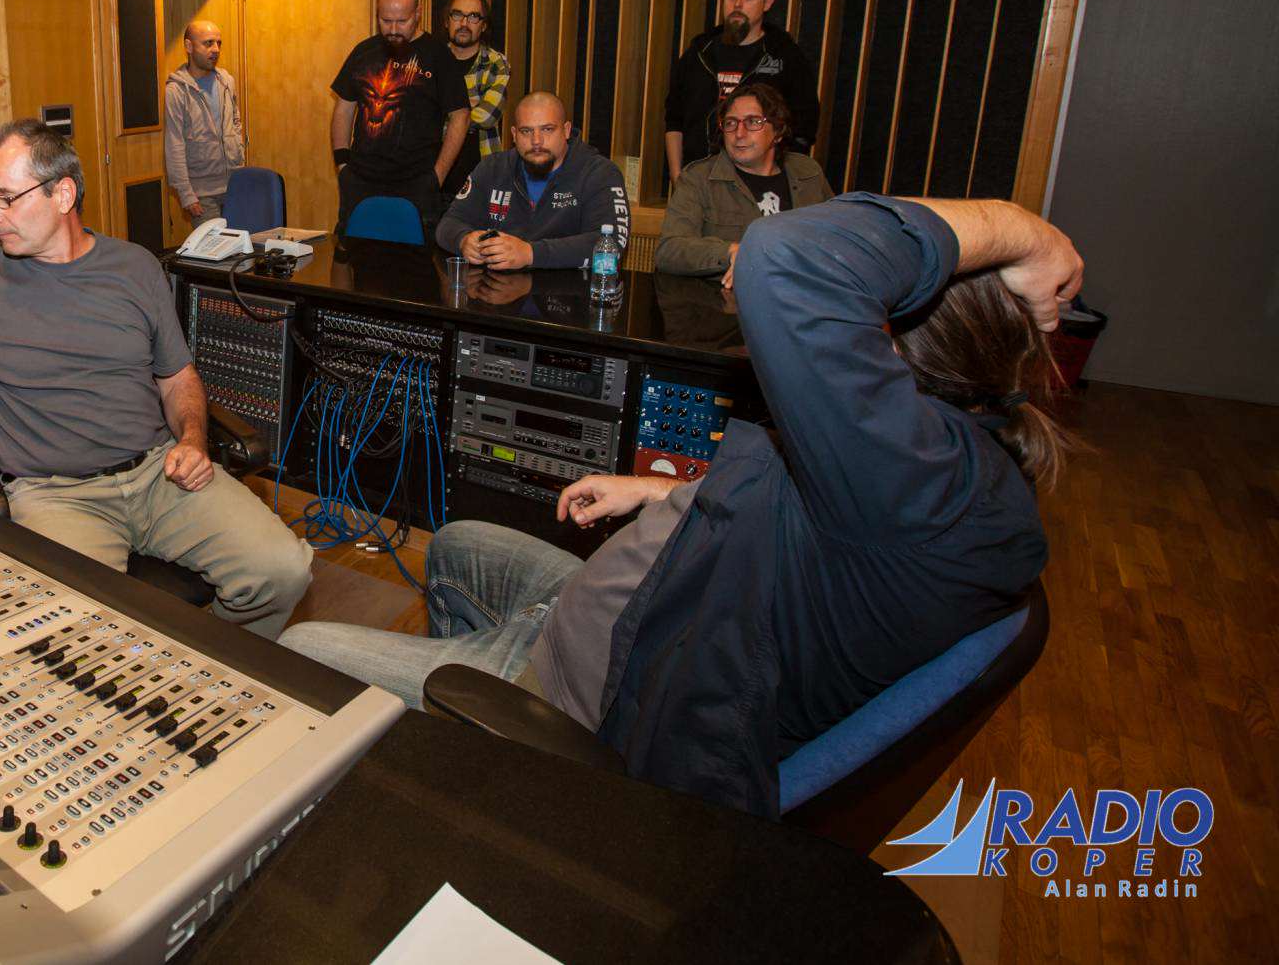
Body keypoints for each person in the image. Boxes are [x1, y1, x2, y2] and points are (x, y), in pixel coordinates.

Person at [283, 192, 1077, 817]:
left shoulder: (916, 487)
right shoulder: (938, 465)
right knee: (457, 542)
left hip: (587, 697)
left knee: (300, 655)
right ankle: (451, 783)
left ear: (893, 346)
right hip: (635, 610)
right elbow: (809, 519)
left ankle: (486, 749)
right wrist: (658, 490)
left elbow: (788, 256)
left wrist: (1026, 233)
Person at [0, 119, 312, 638]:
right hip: (57, 496)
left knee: (283, 570)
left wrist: (193, 440)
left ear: (63, 194)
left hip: (159, 474)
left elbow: (177, 377)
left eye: (6, 198)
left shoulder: (135, 267)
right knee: (82, 632)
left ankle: (220, 661)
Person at [656, 82, 834, 285]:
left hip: (803, 294)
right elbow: (669, 251)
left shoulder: (808, 173)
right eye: (731, 123)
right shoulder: (699, 178)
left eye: (753, 122)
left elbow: (840, 238)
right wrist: (731, 252)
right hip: (726, 299)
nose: (739, 133)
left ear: (778, 131)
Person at [330, 0, 469, 235]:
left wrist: (437, 176)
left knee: (413, 258)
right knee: (354, 254)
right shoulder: (364, 51)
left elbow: (460, 116)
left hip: (416, 184)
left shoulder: (438, 56)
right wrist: (342, 165)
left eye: (402, 21)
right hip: (360, 182)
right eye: (385, 21)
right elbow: (344, 106)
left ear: (418, 14)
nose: (393, 29)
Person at [434, 92, 632, 271]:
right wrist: (463, 240)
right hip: (500, 294)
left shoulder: (600, 173)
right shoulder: (492, 168)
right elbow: (448, 223)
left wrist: (530, 254)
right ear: (514, 135)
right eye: (526, 131)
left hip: (573, 293)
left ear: (566, 130)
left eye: (547, 129)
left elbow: (612, 245)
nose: (536, 141)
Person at [664, 0, 819, 184]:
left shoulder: (784, 56)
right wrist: (677, 175)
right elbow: (674, 119)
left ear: (767, 3)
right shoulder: (699, 52)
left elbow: (803, 127)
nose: (737, 4)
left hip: (757, 183)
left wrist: (777, 179)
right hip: (697, 179)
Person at [163, 19, 245, 227]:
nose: (215, 49)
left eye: (218, 43)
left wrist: (239, 154)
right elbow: (174, 143)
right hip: (202, 195)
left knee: (241, 245)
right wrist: (186, 193)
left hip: (235, 186)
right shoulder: (176, 90)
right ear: (189, 46)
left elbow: (235, 122)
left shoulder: (227, 81)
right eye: (208, 43)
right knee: (215, 246)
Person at [442, 0, 511, 205]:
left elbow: (487, 116)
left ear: (483, 25)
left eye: (473, 16)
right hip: (435, 175)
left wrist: (446, 113)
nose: (464, 23)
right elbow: (420, 116)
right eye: (457, 15)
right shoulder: (433, 60)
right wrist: (468, 109)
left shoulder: (496, 63)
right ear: (447, 21)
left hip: (481, 177)